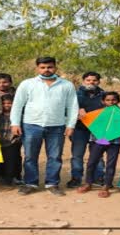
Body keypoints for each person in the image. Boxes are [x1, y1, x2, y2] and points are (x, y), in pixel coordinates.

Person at [10, 57, 79, 195]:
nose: (46, 70)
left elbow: (72, 106)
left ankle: (52, 183)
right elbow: (18, 104)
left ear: (55, 68)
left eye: (50, 67)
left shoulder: (66, 85)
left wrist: (71, 125)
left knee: (55, 156)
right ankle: (30, 183)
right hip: (31, 124)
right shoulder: (27, 84)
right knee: (30, 156)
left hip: (57, 125)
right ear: (37, 68)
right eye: (43, 67)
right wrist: (15, 123)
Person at [77, 92, 120, 198]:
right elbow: (86, 119)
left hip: (114, 142)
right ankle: (88, 183)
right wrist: (82, 116)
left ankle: (106, 186)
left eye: (113, 100)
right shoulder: (97, 113)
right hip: (98, 140)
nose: (111, 102)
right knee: (91, 162)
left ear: (118, 101)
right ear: (103, 101)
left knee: (111, 164)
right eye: (108, 100)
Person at [68, 71, 105, 188]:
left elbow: (111, 108)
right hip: (79, 129)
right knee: (77, 155)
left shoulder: (104, 95)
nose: (91, 82)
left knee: (98, 155)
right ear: (83, 81)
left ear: (98, 81)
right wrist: (78, 109)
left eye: (94, 80)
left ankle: (98, 177)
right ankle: (76, 178)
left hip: (99, 129)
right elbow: (67, 108)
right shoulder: (75, 94)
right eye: (88, 80)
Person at [0, 94, 22, 186]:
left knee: (11, 161)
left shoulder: (18, 115)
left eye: (9, 103)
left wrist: (18, 138)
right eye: (4, 103)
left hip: (12, 141)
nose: (6, 105)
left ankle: (9, 179)